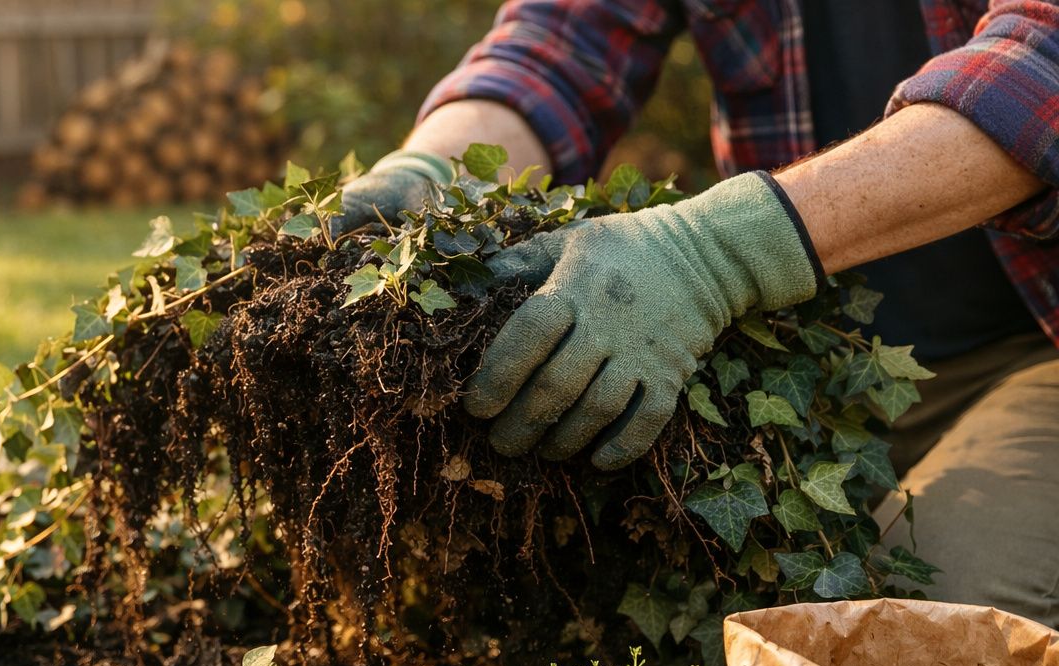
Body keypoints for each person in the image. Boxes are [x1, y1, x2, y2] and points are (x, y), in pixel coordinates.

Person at [334, 1, 1059, 628]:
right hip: (823, 361)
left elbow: (1042, 62)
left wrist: (717, 251)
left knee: (931, 628)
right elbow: (559, 47)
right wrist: (431, 168)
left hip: (1036, 350)